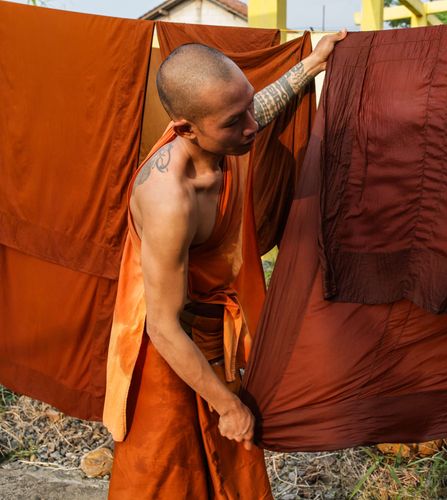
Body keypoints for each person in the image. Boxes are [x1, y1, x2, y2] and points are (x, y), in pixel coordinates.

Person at [102, 29, 346, 499]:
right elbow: (164, 328)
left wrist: (312, 65)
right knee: (166, 478)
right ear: (186, 128)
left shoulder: (226, 140)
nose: (252, 127)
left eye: (248, 108)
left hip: (218, 340)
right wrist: (227, 406)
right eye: (236, 122)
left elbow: (256, 108)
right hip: (167, 357)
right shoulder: (168, 198)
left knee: (233, 475)